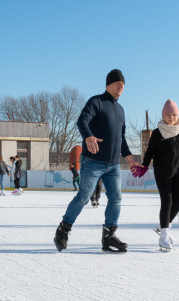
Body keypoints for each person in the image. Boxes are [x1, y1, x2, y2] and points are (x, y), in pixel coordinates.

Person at [53, 69, 142, 253]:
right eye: (118, 83)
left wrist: (130, 159)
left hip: (113, 165)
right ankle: (63, 230)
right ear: (108, 84)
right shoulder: (97, 101)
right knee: (84, 197)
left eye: (123, 84)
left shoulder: (121, 110)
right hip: (93, 161)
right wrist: (88, 137)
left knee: (116, 199)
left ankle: (109, 236)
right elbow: (82, 121)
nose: (121, 87)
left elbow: (121, 139)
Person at [132, 100, 179, 251]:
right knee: (167, 201)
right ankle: (164, 235)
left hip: (177, 172)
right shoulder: (157, 132)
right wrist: (145, 165)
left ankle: (162, 226)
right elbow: (150, 152)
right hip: (162, 173)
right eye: (168, 115)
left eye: (174, 115)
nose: (172, 117)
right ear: (163, 116)